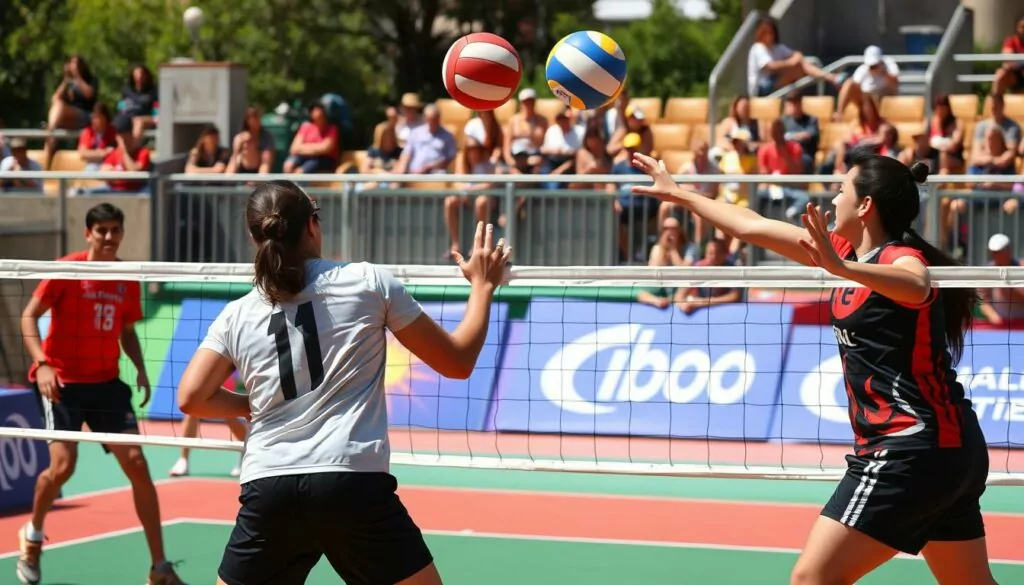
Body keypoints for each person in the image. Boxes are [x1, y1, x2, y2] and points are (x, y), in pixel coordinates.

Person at [630, 150, 996, 585]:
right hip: (950, 449)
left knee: (812, 579)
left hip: (908, 448)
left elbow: (917, 284)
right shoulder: (840, 251)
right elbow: (752, 225)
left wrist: (844, 268)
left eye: (841, 190)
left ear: (865, 206)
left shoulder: (897, 257)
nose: (833, 197)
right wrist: (681, 195)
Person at [177, 180, 511, 585]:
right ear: (313, 227)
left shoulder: (238, 313)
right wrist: (483, 286)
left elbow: (192, 397)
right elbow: (457, 362)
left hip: (269, 484)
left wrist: (252, 404)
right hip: (350, 481)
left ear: (253, 238)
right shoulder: (367, 282)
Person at [18, 203, 186, 585]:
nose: (109, 237)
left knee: (139, 466)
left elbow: (126, 331)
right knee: (63, 468)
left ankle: (159, 568)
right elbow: (28, 315)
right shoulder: (67, 269)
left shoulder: (127, 278)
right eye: (102, 231)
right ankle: (33, 534)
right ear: (88, 234)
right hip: (61, 383)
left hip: (107, 384)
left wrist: (141, 366)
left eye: (115, 230)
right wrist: (42, 363)